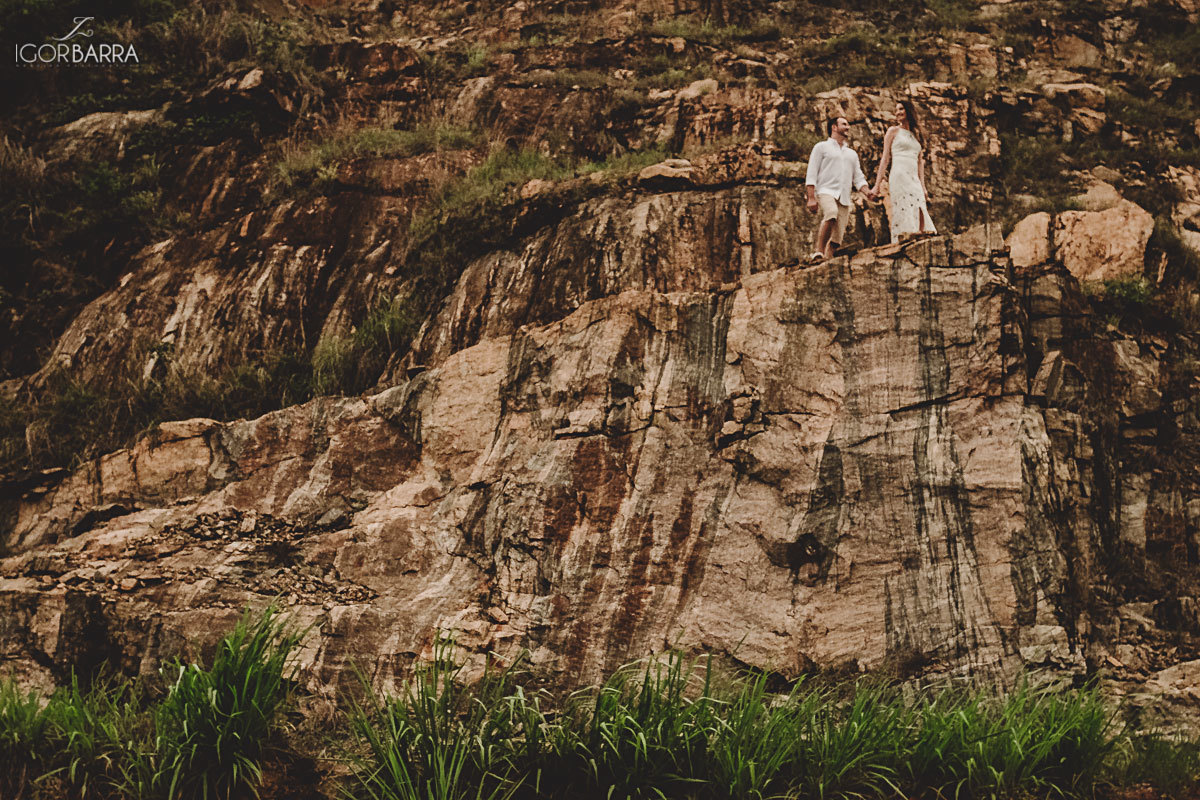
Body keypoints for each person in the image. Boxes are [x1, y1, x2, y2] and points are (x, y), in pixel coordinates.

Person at [805, 116, 875, 262]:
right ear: (834, 127)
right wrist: (811, 197)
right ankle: (818, 251)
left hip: (844, 196)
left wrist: (868, 192)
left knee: (838, 238)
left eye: (848, 124)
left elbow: (858, 178)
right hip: (825, 191)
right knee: (831, 213)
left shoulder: (852, 154)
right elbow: (811, 173)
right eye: (844, 124)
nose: (848, 127)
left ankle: (827, 260)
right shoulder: (821, 147)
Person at [870, 98, 937, 244]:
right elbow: (885, 158)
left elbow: (920, 162)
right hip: (899, 174)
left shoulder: (917, 134)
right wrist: (877, 185)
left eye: (901, 109)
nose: (898, 112)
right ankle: (904, 238)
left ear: (908, 111)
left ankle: (921, 238)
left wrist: (923, 186)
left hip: (913, 177)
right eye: (896, 110)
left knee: (919, 205)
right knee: (904, 206)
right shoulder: (893, 131)